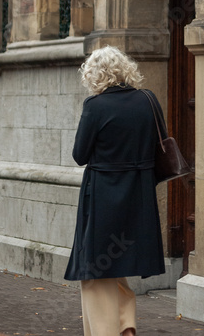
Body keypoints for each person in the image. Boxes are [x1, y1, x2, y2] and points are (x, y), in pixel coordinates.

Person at [64, 45, 166, 336]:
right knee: (113, 262)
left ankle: (108, 332)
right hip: (139, 194)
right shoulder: (148, 100)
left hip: (102, 196)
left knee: (93, 270)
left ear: (94, 75)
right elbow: (158, 144)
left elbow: (79, 155)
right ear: (124, 69)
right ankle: (126, 324)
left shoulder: (95, 106)